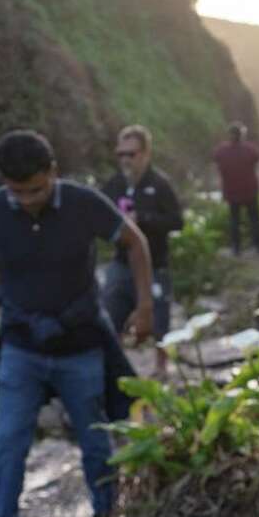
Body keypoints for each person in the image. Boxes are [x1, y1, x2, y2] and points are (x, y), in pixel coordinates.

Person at [0, 129, 154, 517]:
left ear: (53, 172)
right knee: (7, 443)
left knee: (95, 440)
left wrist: (145, 304)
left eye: (36, 189)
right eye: (18, 192)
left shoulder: (82, 202)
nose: (29, 200)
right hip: (20, 344)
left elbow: (135, 242)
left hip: (79, 344)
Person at [101, 125, 183, 376]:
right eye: (121, 154)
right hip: (121, 263)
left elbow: (177, 221)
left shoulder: (159, 184)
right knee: (109, 315)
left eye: (131, 154)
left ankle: (161, 367)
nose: (125, 160)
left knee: (159, 318)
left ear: (146, 154)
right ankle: (114, 368)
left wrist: (144, 219)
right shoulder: (113, 185)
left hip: (155, 264)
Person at [213, 122, 259, 255]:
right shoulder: (250, 150)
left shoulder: (221, 151)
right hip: (250, 190)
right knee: (254, 219)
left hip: (232, 191)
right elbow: (258, 161)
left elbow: (217, 167)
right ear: (242, 136)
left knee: (234, 220)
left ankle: (236, 248)